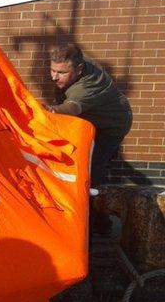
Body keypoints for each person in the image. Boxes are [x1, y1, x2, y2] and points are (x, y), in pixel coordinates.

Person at [47, 43, 132, 234]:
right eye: (52, 70)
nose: (54, 76)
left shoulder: (87, 85)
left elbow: (73, 109)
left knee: (91, 172)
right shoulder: (74, 71)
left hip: (110, 126)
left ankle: (97, 225)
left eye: (61, 72)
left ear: (78, 69)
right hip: (92, 119)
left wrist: (49, 110)